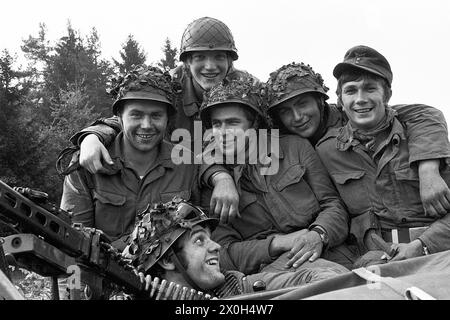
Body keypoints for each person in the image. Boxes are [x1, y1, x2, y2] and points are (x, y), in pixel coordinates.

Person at [63, 17, 253, 223]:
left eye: (218, 57)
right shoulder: (169, 85)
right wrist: (93, 136)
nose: (210, 66)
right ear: (187, 62)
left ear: (230, 62)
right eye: (199, 57)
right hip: (170, 178)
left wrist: (223, 176)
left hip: (227, 181)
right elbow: (133, 118)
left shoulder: (245, 90)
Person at [198, 77, 349, 281]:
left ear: (254, 124)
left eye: (233, 122)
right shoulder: (212, 183)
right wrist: (278, 243)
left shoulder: (295, 148)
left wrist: (318, 234)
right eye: (217, 124)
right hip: (273, 271)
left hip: (331, 252)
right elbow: (222, 252)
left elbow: (333, 205)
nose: (223, 133)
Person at [315, 45, 450, 266]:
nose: (360, 99)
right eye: (350, 90)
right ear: (340, 100)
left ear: (387, 94)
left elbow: (428, 114)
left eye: (370, 89)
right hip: (377, 259)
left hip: (439, 253)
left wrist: (423, 245)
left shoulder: (424, 138)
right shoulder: (327, 150)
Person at [265, 61, 450, 218]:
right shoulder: (281, 138)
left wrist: (428, 169)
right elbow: (244, 142)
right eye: (285, 111)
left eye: (302, 104)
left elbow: (426, 115)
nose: (297, 117)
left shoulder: (354, 114)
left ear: (320, 101)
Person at [60, 65, 200, 251]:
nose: (147, 125)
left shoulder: (188, 164)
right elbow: (72, 243)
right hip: (102, 276)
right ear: (119, 116)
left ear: (168, 119)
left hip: (169, 277)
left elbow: (200, 235)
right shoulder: (87, 163)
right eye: (136, 115)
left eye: (156, 116)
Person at [125, 197, 345, 299]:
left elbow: (333, 279)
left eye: (210, 238)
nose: (216, 246)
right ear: (167, 260)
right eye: (200, 240)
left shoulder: (235, 288)